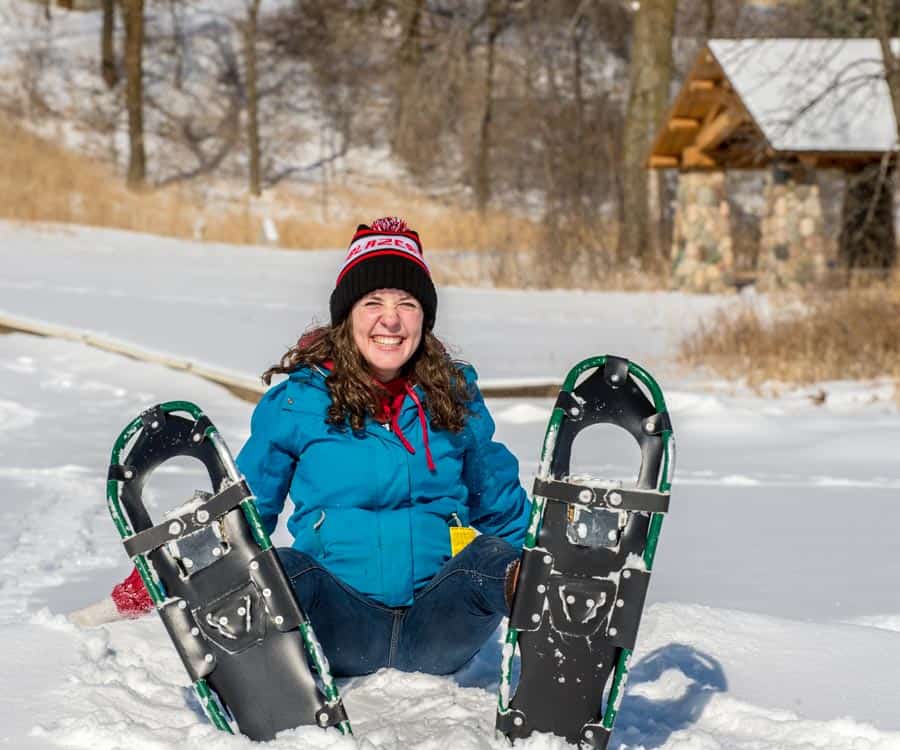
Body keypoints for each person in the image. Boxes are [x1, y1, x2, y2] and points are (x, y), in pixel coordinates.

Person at [72, 217, 530, 678]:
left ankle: (561, 638)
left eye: (406, 304)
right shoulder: (299, 403)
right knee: (283, 567)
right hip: (340, 626)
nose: (390, 319)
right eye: (373, 301)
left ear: (423, 318)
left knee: (493, 558)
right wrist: (143, 590)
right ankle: (257, 682)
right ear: (347, 314)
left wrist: (539, 565)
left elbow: (502, 510)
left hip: (441, 626)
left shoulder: (455, 397)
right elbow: (241, 520)